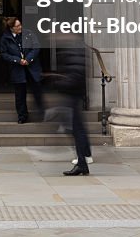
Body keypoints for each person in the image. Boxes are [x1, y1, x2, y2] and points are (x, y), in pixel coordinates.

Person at [56, 40, 92, 176]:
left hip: (73, 94)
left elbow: (75, 73)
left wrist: (60, 83)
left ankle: (83, 162)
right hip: (73, 93)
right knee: (77, 130)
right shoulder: (73, 47)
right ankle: (82, 163)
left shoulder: (74, 48)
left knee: (77, 130)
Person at [0, 16, 44, 123]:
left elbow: (36, 47)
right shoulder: (5, 38)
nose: (20, 27)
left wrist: (28, 59)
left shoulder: (28, 33)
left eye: (20, 24)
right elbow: (4, 54)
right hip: (17, 69)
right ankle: (22, 116)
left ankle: (42, 113)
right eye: (17, 26)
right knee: (20, 95)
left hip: (32, 67)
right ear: (11, 28)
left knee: (37, 91)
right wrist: (17, 60)